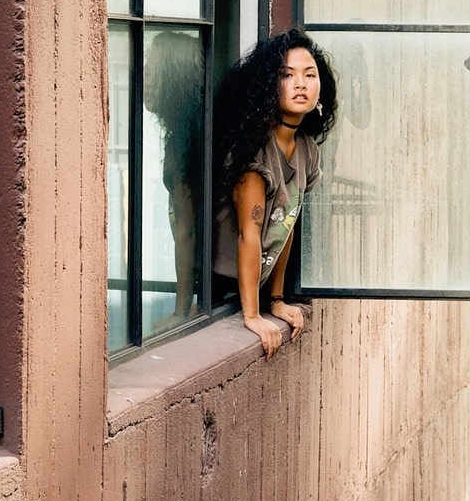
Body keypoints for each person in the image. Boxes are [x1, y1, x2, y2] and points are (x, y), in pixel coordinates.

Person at [211, 28, 338, 359]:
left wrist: (277, 300)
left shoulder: (307, 149)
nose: (300, 84)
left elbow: (286, 224)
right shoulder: (254, 153)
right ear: (269, 86)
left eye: (310, 75)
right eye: (287, 75)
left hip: (259, 288)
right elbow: (248, 235)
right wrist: (253, 316)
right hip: (223, 293)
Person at [144, 31, 204, 326]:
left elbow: (187, 232)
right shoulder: (187, 129)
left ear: (174, 80)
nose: (145, 80)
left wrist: (181, 312)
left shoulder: (185, 141)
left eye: (154, 72)